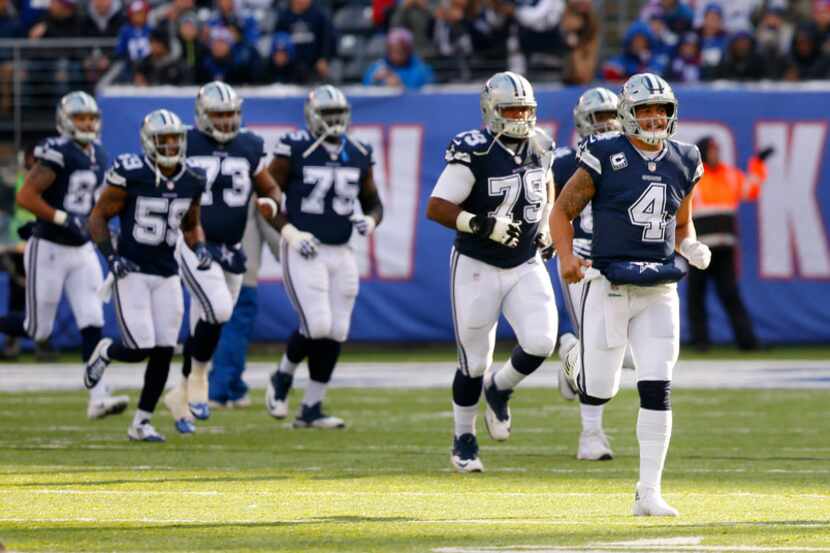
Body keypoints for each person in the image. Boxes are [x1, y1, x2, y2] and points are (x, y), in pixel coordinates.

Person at [551, 73, 711, 516]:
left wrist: (691, 245)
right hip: (610, 282)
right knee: (599, 389)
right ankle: (572, 359)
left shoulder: (685, 158)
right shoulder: (604, 153)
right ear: (628, 113)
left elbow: (681, 224)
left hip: (659, 287)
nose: (655, 117)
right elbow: (562, 210)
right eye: (645, 109)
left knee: (658, 385)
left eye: (661, 108)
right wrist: (566, 256)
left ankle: (648, 492)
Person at [426, 71, 557, 473]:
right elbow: (437, 206)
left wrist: (548, 224)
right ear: (491, 111)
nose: (520, 117)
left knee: (541, 341)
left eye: (525, 109)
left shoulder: (542, 144)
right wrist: (481, 224)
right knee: (474, 361)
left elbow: (546, 184)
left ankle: (500, 389)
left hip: (524, 262)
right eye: (511, 109)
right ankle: (464, 437)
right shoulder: (475, 150)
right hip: (477, 264)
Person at [162, 81, 284, 434]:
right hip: (192, 239)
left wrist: (271, 202)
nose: (227, 121)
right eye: (219, 114)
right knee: (219, 310)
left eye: (231, 114)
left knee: (204, 323)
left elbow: (270, 185)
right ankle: (199, 376)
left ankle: (180, 395)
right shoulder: (183, 141)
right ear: (202, 114)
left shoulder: (249, 144)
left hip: (231, 247)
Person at [83, 109, 209, 442]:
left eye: (175, 139)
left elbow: (191, 224)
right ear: (148, 142)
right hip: (132, 269)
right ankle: (107, 351)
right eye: (162, 140)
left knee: (165, 349)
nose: (170, 146)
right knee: (140, 346)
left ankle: (141, 422)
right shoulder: (131, 172)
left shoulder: (193, 177)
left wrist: (200, 249)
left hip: (167, 272)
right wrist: (111, 257)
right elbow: (96, 218)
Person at [264, 85, 384, 429]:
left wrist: (371, 220)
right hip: (305, 247)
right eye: (327, 115)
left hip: (342, 249)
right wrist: (290, 232)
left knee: (337, 330)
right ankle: (282, 376)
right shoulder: (294, 148)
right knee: (316, 324)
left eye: (338, 116)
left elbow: (374, 202)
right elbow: (267, 200)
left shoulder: (359, 151)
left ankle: (311, 407)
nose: (334, 122)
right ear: (313, 117)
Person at [7, 91, 128, 419]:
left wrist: (102, 227)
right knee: (38, 330)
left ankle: (98, 396)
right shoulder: (56, 151)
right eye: (79, 118)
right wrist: (63, 217)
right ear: (65, 121)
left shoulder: (100, 154)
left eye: (90, 117)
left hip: (82, 250)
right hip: (48, 248)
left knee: (92, 321)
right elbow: (26, 196)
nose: (86, 123)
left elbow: (96, 205)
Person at [553, 86, 629, 462]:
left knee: (625, 352)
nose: (608, 123)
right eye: (600, 117)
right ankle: (591, 435)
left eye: (613, 114)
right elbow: (548, 208)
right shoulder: (564, 160)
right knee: (597, 345)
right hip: (581, 257)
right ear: (584, 121)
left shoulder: (632, 156)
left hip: (621, 258)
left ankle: (570, 358)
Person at [687, 136, 771, 351]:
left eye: (717, 150)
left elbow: (751, 188)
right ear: (704, 152)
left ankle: (747, 342)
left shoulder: (730, 176)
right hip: (698, 249)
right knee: (696, 296)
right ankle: (700, 342)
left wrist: (758, 164)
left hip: (724, 248)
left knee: (731, 295)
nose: (715, 154)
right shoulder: (694, 178)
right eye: (712, 150)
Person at [208, 198, 281, 407]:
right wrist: (288, 257)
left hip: (204, 266)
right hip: (239, 268)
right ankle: (219, 389)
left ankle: (232, 387)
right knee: (235, 330)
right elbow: (269, 225)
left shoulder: (200, 171)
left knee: (211, 328)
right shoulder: (251, 175)